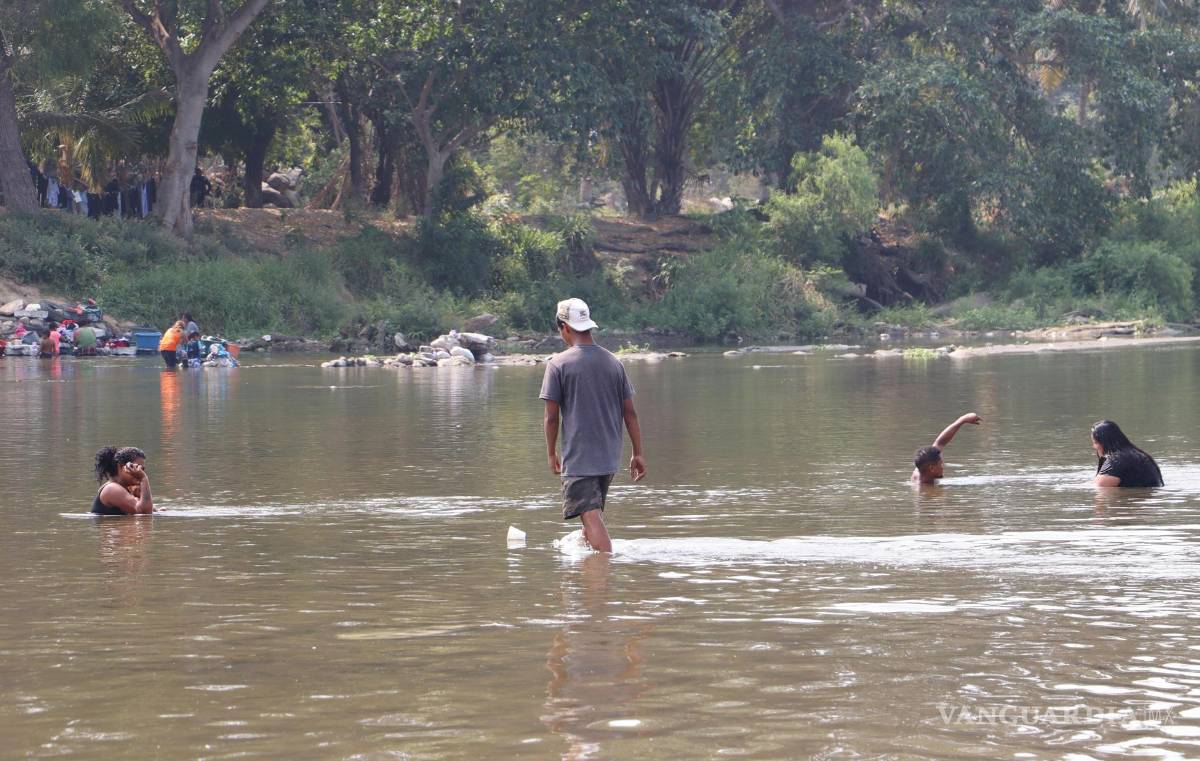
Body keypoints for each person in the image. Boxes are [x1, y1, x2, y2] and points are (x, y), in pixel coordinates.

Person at [540, 298, 646, 552]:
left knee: (590, 516)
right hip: (609, 458)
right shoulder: (614, 362)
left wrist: (551, 452)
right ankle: (592, 583)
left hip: (579, 458)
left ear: (563, 326)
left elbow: (552, 418)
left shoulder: (558, 364)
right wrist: (638, 453)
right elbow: (630, 413)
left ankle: (604, 570)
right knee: (592, 517)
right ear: (588, 326)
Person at [912, 412, 983, 484]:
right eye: (940, 464)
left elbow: (940, 443)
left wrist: (962, 420)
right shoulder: (922, 488)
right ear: (932, 468)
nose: (943, 467)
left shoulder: (922, 468)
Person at [1091, 420, 1163, 487]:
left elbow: (1099, 488)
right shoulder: (1141, 454)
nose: (1093, 446)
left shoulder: (1115, 460)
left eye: (1095, 443)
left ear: (1105, 443)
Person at [91, 446, 154, 515]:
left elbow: (148, 509)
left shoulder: (126, 489)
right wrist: (143, 478)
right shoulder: (111, 489)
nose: (140, 472)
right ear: (121, 467)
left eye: (142, 469)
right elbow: (144, 513)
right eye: (137, 467)